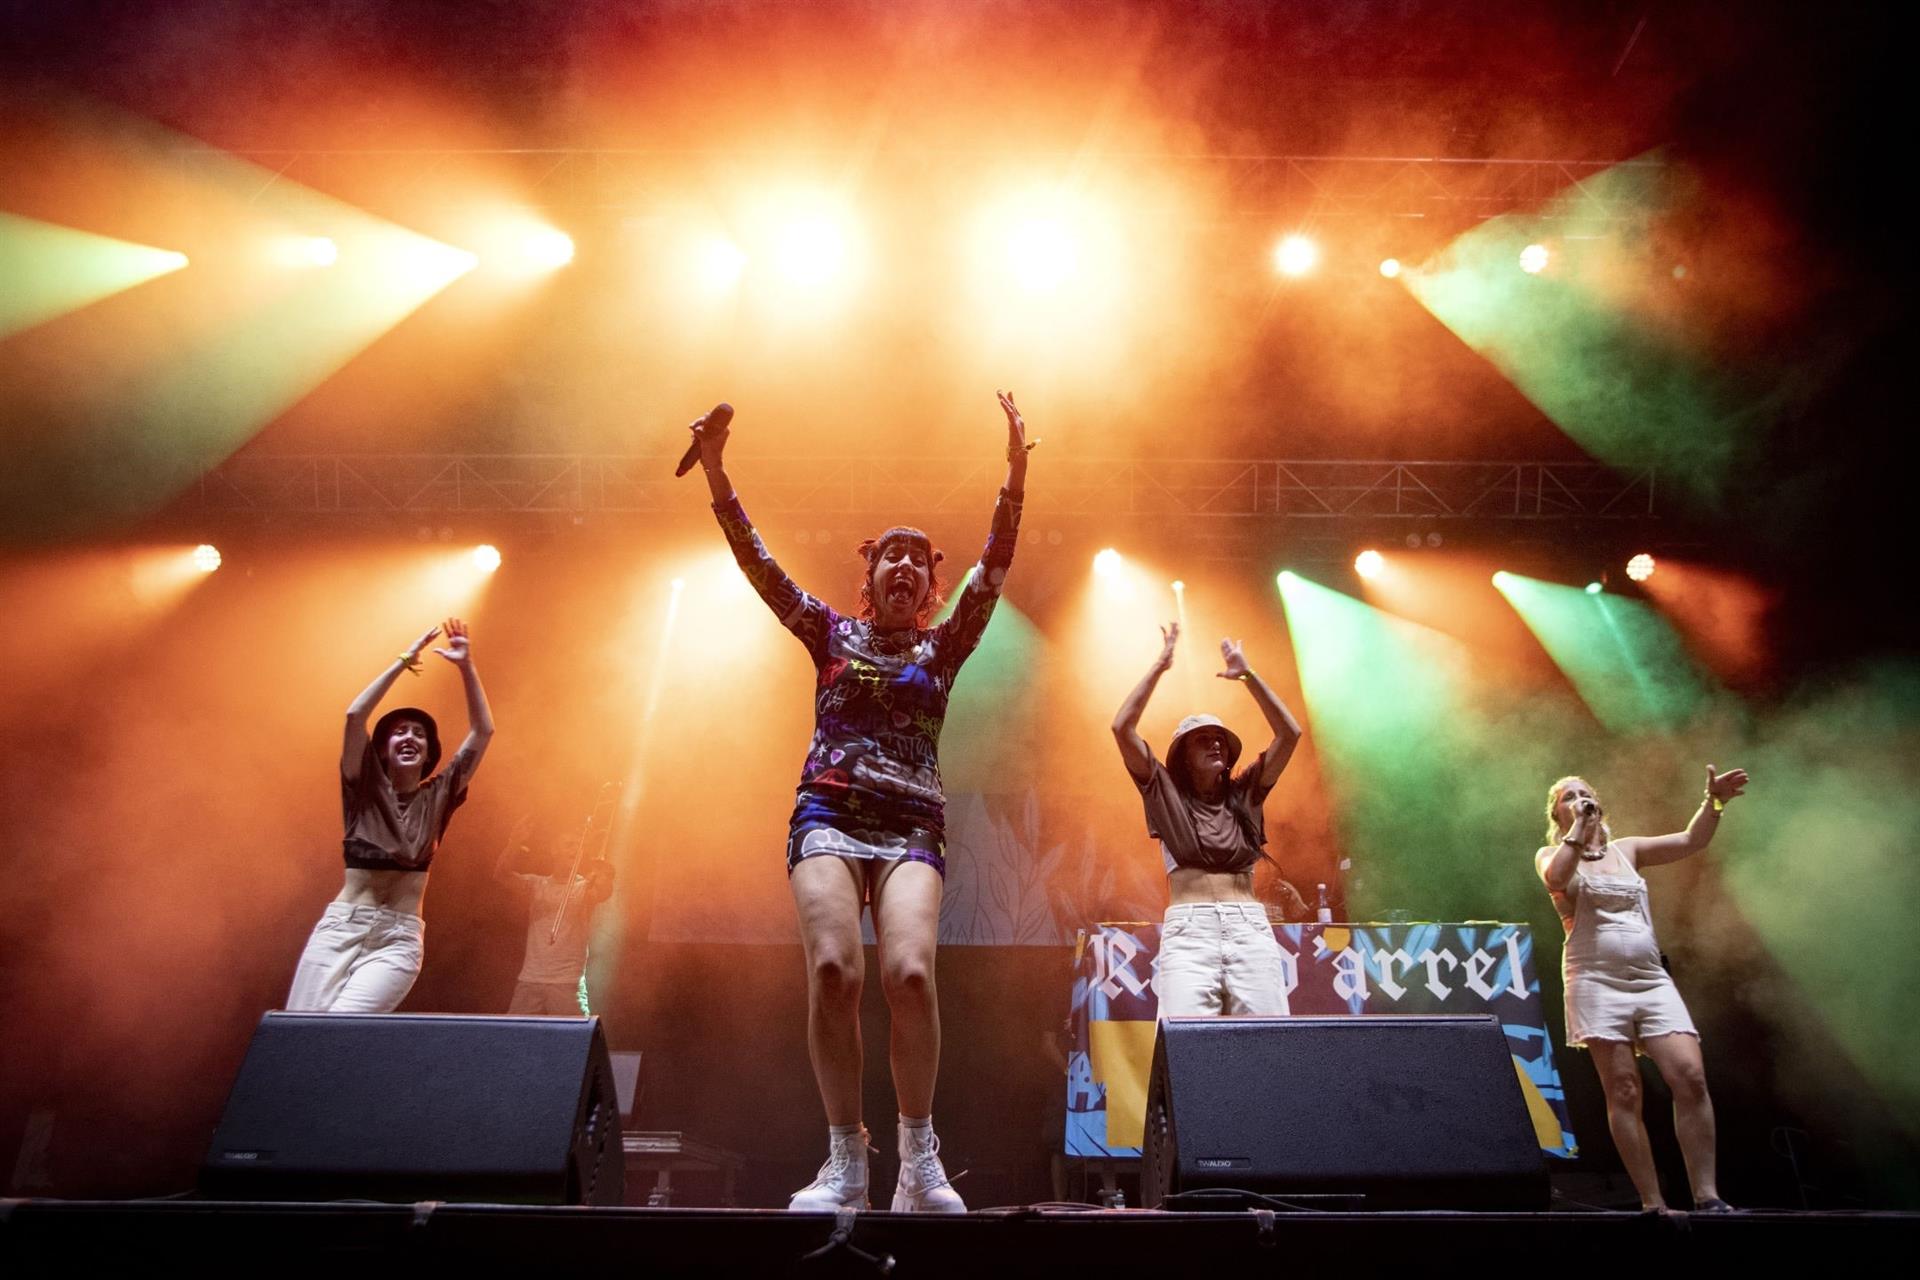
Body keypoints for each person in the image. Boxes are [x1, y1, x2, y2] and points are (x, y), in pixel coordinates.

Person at [690, 392, 1030, 1213]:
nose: (905, 566)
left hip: (912, 823)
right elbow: (758, 563)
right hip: (829, 816)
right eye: (891, 556)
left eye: (918, 559)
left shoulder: (946, 646)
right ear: (871, 576)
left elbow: (995, 566)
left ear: (931, 583)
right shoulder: (829, 633)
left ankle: (918, 1162)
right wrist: (716, 471)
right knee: (835, 972)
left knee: (909, 975)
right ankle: (846, 1161)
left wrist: (1016, 474)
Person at [1535, 767, 1749, 1213]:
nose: (1579, 799)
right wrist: (1578, 830)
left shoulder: (1627, 850)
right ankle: (1653, 1203)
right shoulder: (1551, 854)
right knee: (1625, 1090)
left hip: (1651, 979)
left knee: (1690, 1076)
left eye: (1585, 793)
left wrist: (1713, 802)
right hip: (1595, 980)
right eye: (1568, 798)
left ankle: (1707, 1195)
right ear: (1557, 815)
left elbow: (1691, 840)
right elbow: (1556, 879)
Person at [286, 619, 494, 1012]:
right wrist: (404, 661)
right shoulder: (362, 788)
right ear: (383, 749)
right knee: (301, 1032)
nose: (410, 737)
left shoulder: (440, 794)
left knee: (342, 1028)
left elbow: (483, 731)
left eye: (419, 733)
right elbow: (355, 716)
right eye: (400, 732)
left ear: (428, 751)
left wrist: (466, 666)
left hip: (397, 939)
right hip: (342, 927)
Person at [1111, 621, 1304, 1016]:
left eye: (1220, 739)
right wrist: (1160, 666)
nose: (1215, 743)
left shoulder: (1244, 793)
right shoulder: (1165, 792)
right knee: (1188, 1041)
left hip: (1248, 926)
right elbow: (1121, 727)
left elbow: (1290, 733)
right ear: (1183, 755)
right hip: (1190, 931)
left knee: (1267, 1040)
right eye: (1203, 739)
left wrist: (1248, 676)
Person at [496, 813, 615, 1016]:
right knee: (514, 1032)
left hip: (567, 983)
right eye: (568, 845)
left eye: (577, 846)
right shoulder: (537, 885)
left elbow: (603, 892)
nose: (574, 850)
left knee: (576, 1035)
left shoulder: (584, 886)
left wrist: (605, 873)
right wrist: (514, 842)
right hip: (530, 980)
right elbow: (501, 874)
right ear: (554, 850)